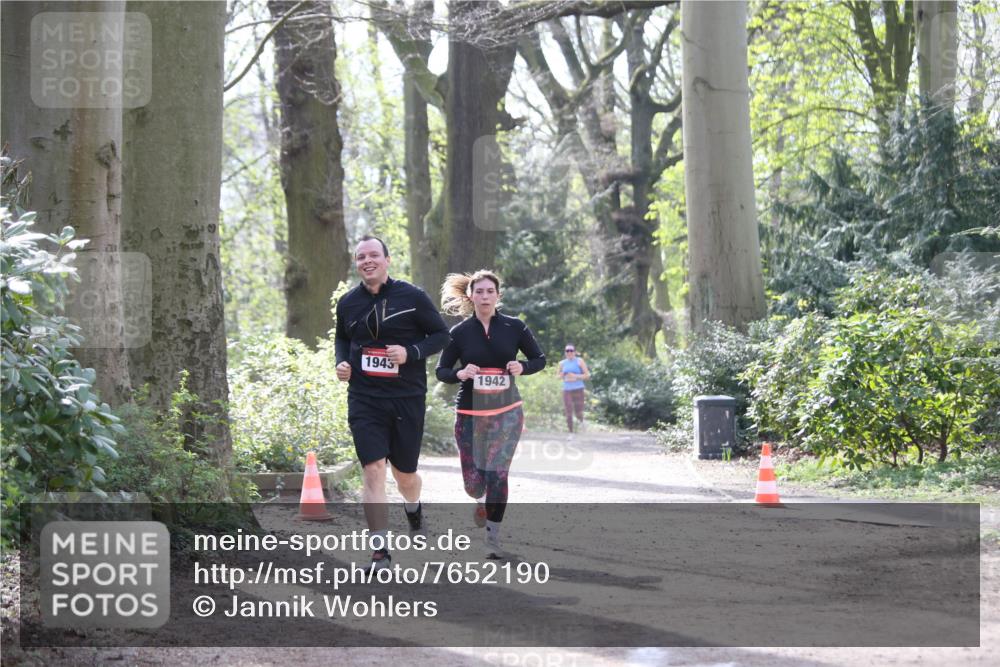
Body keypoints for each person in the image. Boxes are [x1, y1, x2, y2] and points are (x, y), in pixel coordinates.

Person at [335, 236, 449, 571]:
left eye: (373, 255)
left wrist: (410, 353)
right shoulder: (347, 302)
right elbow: (343, 338)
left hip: (406, 397)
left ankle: (413, 506)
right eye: (360, 257)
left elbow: (441, 335)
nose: (366, 261)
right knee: (373, 468)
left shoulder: (412, 297)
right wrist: (341, 363)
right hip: (364, 397)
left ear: (387, 259)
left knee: (405, 475)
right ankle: (380, 552)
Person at [436, 270, 546, 559]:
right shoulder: (459, 333)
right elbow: (442, 371)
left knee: (498, 474)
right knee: (474, 483)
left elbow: (539, 359)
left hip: (507, 412)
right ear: (470, 296)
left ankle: (492, 537)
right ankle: (480, 499)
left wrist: (523, 367)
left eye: (490, 291)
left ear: (498, 295)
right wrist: (460, 372)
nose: (484, 296)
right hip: (470, 413)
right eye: (479, 291)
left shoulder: (515, 327)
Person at [557, 344, 590, 433]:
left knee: (578, 411)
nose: (569, 352)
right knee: (568, 411)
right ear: (565, 352)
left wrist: (575, 376)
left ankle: (582, 421)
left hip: (578, 388)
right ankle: (570, 432)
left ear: (574, 352)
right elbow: (557, 376)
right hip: (567, 389)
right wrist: (562, 375)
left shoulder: (579, 361)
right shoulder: (562, 363)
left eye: (571, 350)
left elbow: (587, 375)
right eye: (567, 351)